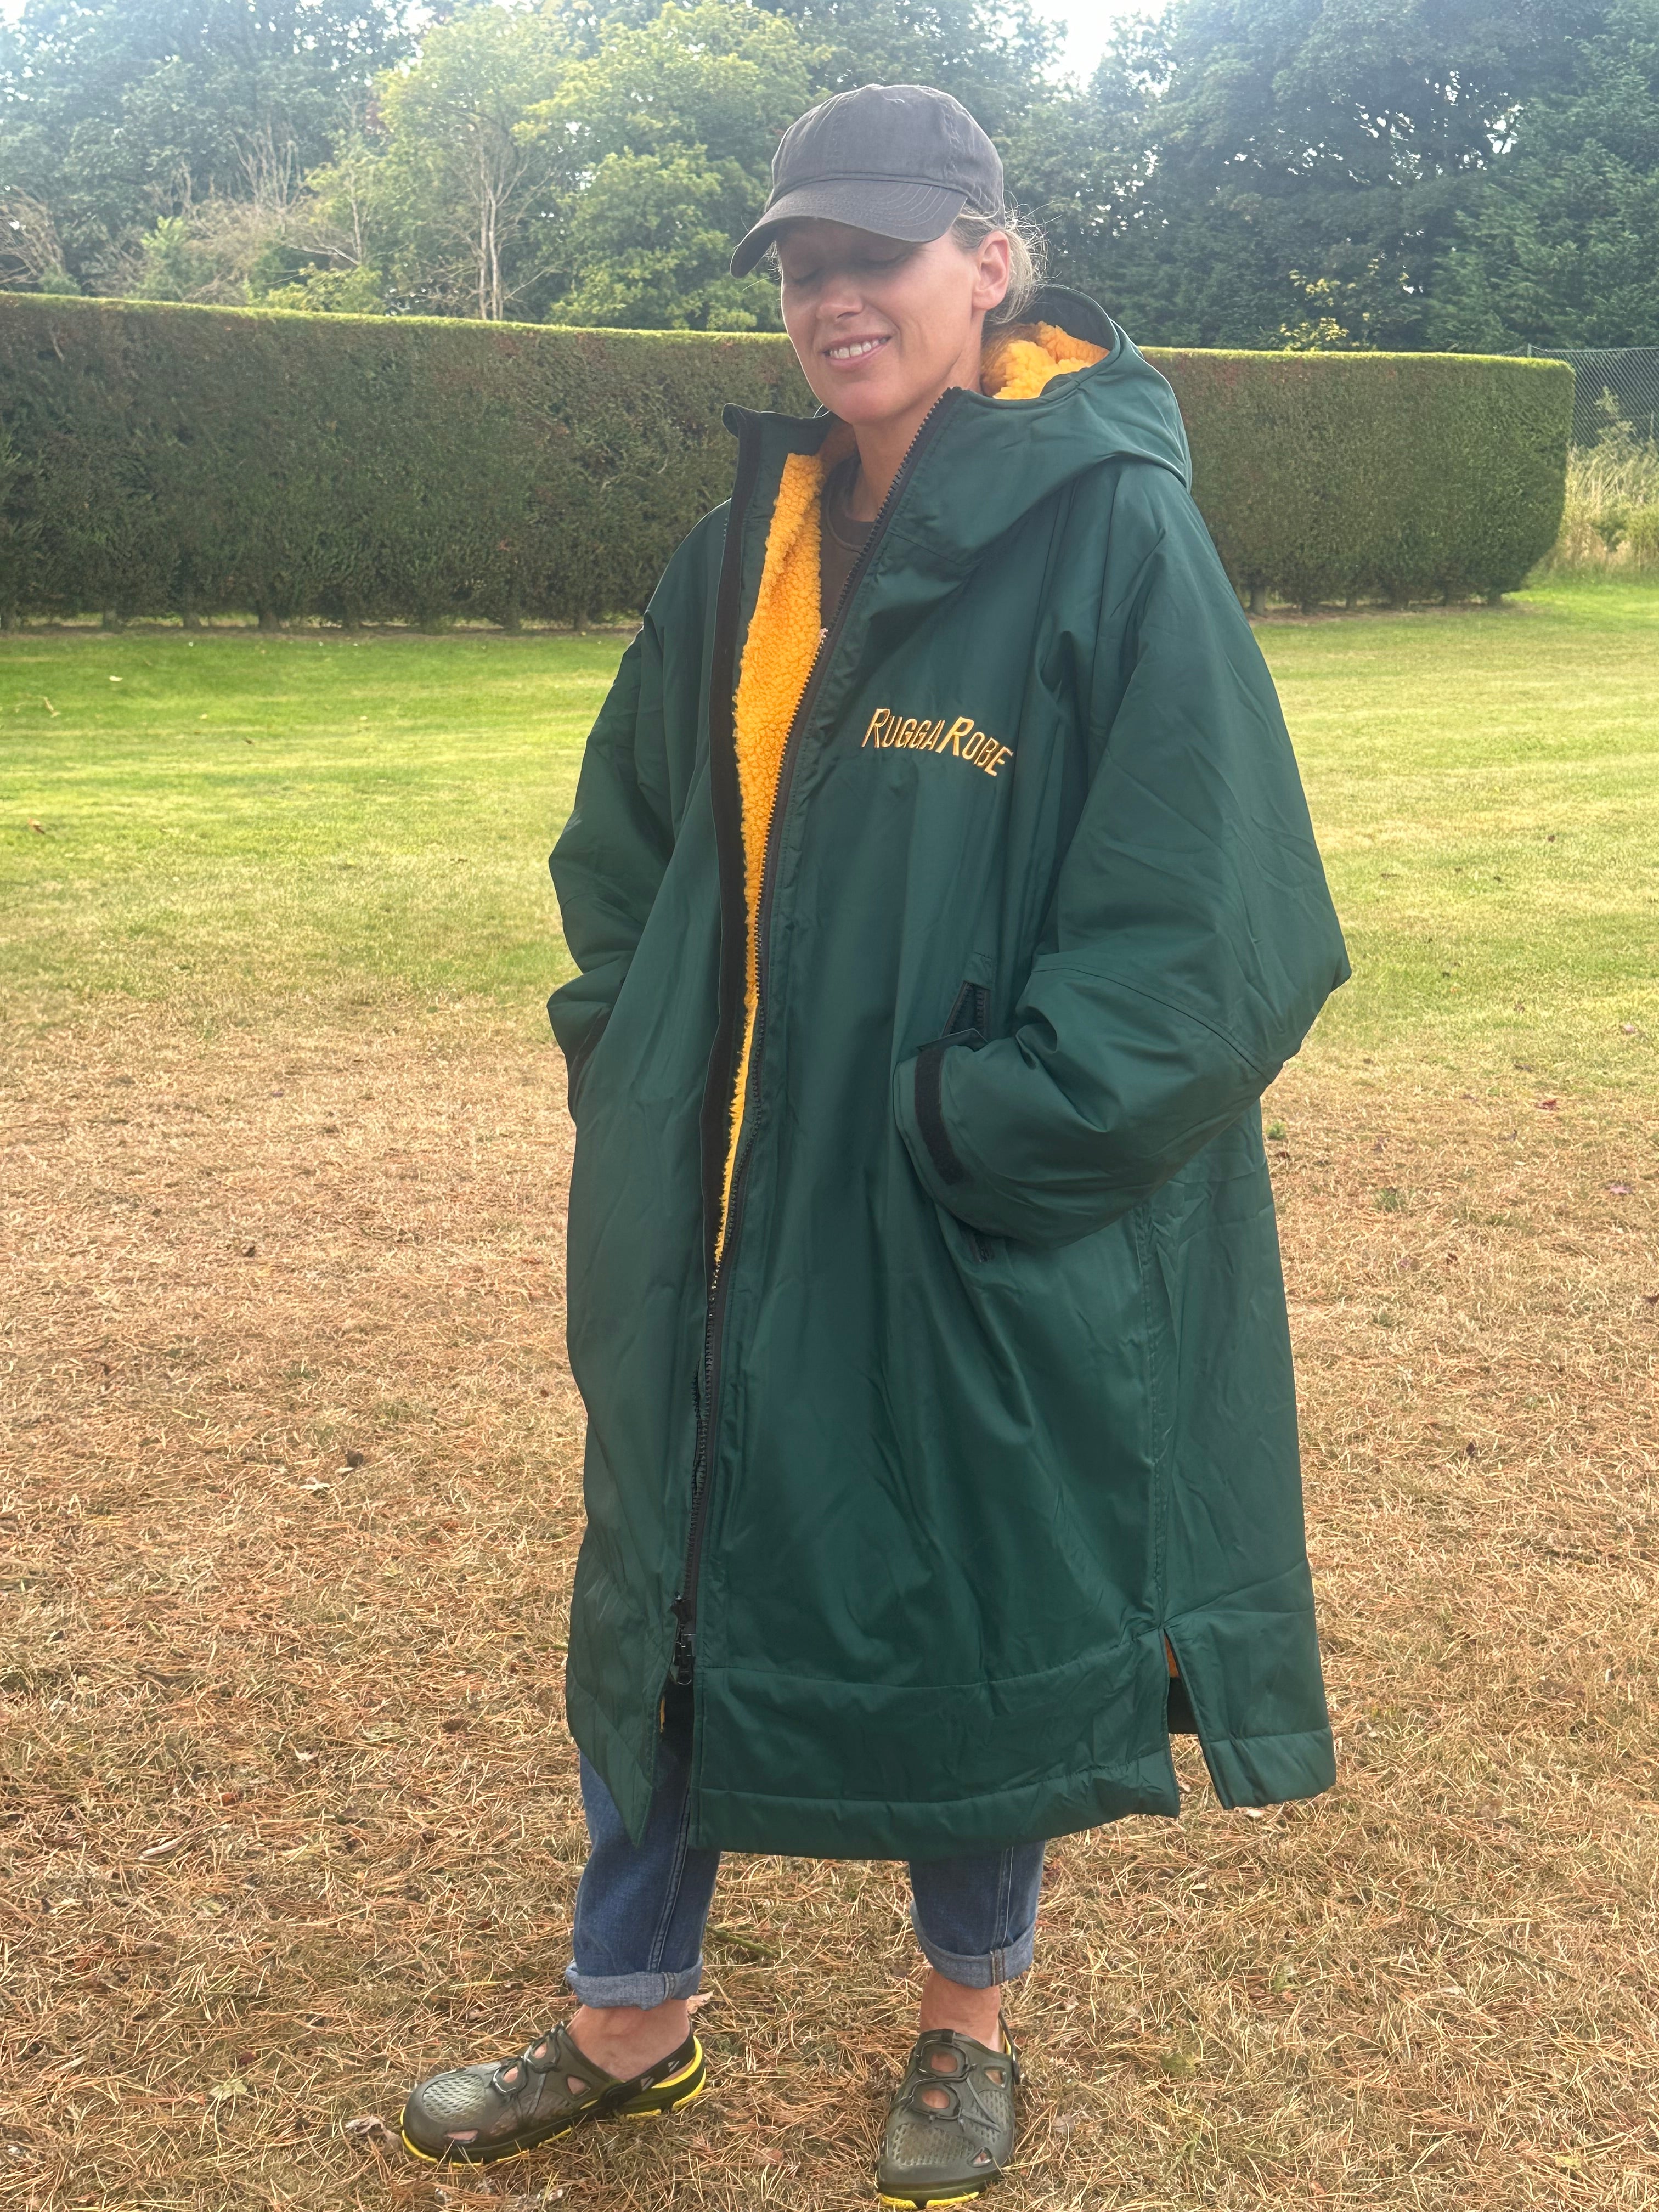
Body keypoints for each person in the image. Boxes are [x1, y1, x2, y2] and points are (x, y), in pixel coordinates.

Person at [402, 81, 1349, 2207]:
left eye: (882, 254)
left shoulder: (1109, 530)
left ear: (989, 263)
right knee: (673, 1577)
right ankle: (626, 2016)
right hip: (731, 1210)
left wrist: (979, 1123)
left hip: (947, 1205)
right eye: (806, 264)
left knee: (957, 1581)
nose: (840, 296)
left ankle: (964, 2025)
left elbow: (1219, 926)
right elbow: (627, 848)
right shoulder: (751, 544)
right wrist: (628, 1068)